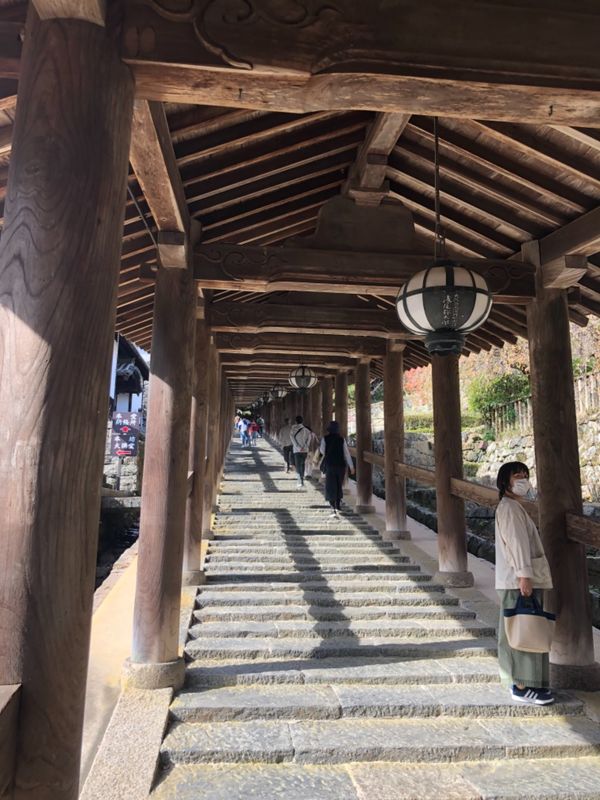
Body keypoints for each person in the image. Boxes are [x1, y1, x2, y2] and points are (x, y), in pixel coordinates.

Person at [495, 461, 554, 706]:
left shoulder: (514, 507)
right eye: (517, 475)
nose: (522, 479)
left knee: (528, 628)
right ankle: (521, 685)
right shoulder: (509, 508)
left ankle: (533, 683)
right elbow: (517, 544)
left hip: (518, 577)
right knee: (522, 630)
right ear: (505, 481)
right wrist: (524, 576)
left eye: (525, 475)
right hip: (517, 580)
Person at [319, 420, 355, 517]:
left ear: (329, 430)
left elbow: (322, 451)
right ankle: (338, 506)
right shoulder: (341, 439)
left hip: (330, 465)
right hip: (340, 466)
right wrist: (351, 466)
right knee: (339, 485)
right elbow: (346, 454)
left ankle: (333, 508)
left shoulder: (325, 439)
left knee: (330, 486)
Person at [290, 415, 313, 487]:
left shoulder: (293, 430)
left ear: (296, 421)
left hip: (297, 451)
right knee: (302, 464)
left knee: (298, 465)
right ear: (302, 421)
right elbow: (309, 440)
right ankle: (302, 479)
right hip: (305, 450)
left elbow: (293, 440)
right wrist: (304, 447)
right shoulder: (307, 430)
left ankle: (300, 481)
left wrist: (298, 447)